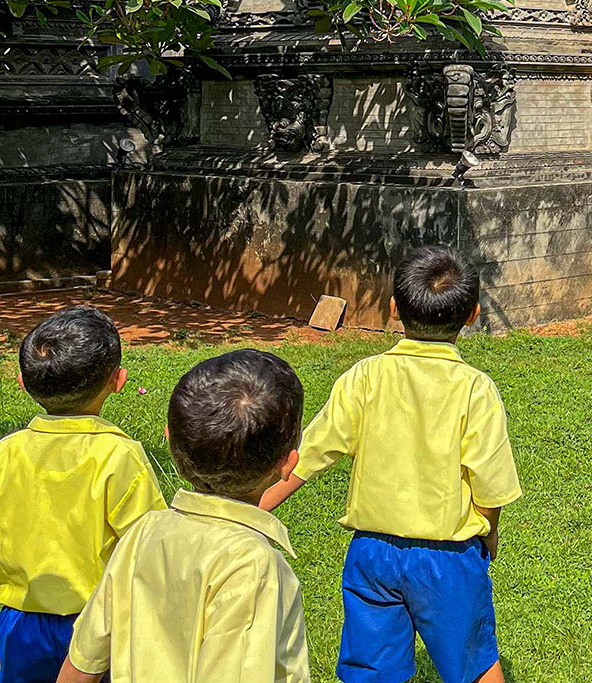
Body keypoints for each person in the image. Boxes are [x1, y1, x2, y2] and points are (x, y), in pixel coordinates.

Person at [261, 245, 522, 683]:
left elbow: (306, 456)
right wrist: (489, 533)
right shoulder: (476, 390)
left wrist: (251, 508)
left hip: (372, 555)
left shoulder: (363, 377)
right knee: (474, 664)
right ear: (474, 314)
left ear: (393, 308)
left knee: (371, 672)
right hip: (450, 558)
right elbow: (489, 483)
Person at [56, 350, 311, 683]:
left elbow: (82, 663)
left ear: (170, 439)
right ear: (288, 463)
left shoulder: (143, 531)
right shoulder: (254, 565)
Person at [0, 307, 166, 683]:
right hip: (99, 625)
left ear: (23, 383)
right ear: (118, 380)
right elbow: (151, 548)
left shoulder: (5, 453)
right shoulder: (120, 456)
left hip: (14, 625)